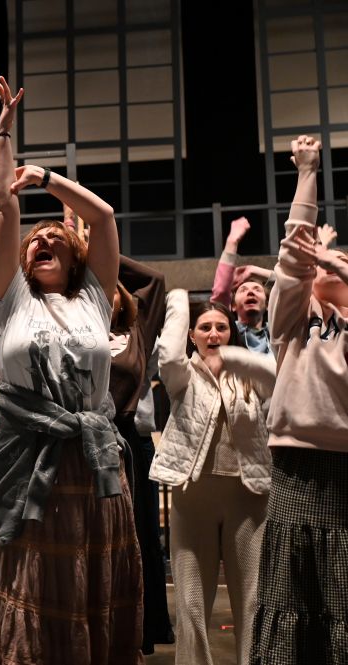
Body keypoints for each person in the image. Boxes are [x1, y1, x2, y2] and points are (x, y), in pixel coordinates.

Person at [0, 76, 143, 664]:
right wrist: (4, 134)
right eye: (37, 239)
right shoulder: (9, 299)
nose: (44, 241)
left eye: (56, 237)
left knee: (82, 580)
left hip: (88, 463)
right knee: (25, 582)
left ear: (75, 256)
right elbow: (5, 203)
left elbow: (105, 216)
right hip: (23, 456)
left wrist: (45, 178)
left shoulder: (93, 298)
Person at [250, 136, 348, 665]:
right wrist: (308, 172)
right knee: (292, 591)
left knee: (341, 591)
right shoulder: (292, 322)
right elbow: (293, 255)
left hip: (346, 469)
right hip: (293, 465)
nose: (326, 267)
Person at [149, 292, 275, 665]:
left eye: (222, 327)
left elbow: (278, 381)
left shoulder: (249, 375)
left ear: (232, 333)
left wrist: (239, 360)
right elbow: (168, 355)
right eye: (205, 328)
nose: (214, 333)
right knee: (190, 603)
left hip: (248, 497)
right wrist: (177, 300)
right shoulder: (182, 375)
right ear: (192, 334)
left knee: (251, 601)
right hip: (194, 496)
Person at [109, 257, 174, 655]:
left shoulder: (137, 329)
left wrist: (95, 248)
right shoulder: (81, 327)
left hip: (133, 436)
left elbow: (156, 279)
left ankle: (147, 628)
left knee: (143, 536)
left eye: (112, 290)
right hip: (92, 435)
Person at [210, 216, 274, 354]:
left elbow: (292, 286)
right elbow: (221, 292)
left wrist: (253, 270)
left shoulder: (277, 332)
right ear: (232, 306)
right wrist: (232, 242)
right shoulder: (228, 331)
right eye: (243, 290)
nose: (250, 292)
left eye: (257, 289)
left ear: (268, 304)